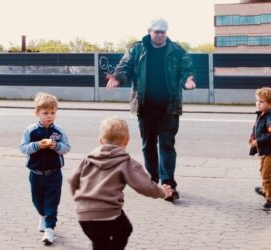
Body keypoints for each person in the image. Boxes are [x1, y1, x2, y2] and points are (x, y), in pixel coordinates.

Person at [106, 18, 195, 202]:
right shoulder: (137, 49)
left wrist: (188, 80)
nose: (160, 35)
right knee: (148, 145)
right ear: (149, 31)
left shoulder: (176, 50)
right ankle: (153, 179)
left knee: (167, 145)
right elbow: (125, 68)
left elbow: (187, 67)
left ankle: (168, 184)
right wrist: (117, 78)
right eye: (157, 32)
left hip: (169, 107)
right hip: (145, 107)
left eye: (163, 32)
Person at [68, 116, 173, 250]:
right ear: (127, 141)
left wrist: (80, 200)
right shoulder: (125, 162)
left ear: (100, 141)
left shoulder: (88, 158)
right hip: (109, 213)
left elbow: (72, 179)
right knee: (125, 229)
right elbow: (144, 186)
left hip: (84, 215)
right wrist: (162, 193)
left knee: (100, 243)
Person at [20, 92, 71, 245]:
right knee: (37, 200)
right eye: (45, 113)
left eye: (53, 113)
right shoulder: (31, 130)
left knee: (52, 202)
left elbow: (66, 148)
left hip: (54, 174)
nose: (49, 116)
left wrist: (56, 146)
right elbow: (23, 148)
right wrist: (36, 145)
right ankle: (42, 216)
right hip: (35, 173)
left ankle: (50, 229)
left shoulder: (59, 131)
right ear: (37, 113)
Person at [249, 87, 271, 211]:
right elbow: (257, 129)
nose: (258, 103)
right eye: (257, 101)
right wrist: (252, 137)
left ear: (270, 104)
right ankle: (265, 190)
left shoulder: (270, 119)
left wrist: (258, 141)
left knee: (266, 175)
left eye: (261, 102)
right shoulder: (261, 115)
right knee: (262, 171)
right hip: (264, 151)